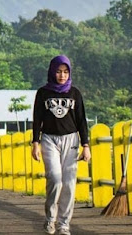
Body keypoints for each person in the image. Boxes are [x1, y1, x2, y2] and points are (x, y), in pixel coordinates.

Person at [31, 55, 91, 235]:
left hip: (71, 139)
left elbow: (81, 121)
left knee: (69, 183)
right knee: (55, 179)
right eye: (58, 71)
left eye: (65, 72)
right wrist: (35, 143)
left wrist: (86, 145)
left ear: (69, 73)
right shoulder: (43, 93)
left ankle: (64, 224)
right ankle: (50, 219)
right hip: (49, 139)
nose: (62, 75)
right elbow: (37, 119)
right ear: (52, 72)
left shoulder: (75, 93)